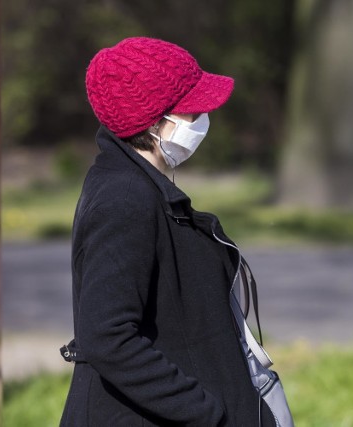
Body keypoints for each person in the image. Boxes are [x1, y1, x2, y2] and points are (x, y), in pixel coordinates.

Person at [59, 37, 278, 426]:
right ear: (158, 122)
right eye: (194, 112)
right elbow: (107, 336)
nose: (203, 120)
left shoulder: (140, 187)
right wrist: (206, 413)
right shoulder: (124, 199)